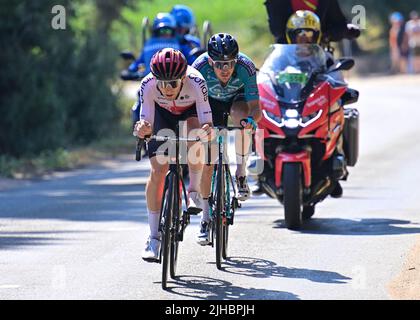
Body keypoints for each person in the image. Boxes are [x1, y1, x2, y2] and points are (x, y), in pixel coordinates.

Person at [133, 48, 213, 262]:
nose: (167, 89)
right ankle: (153, 237)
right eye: (163, 83)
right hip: (162, 114)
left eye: (173, 83)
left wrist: (206, 130)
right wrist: (142, 129)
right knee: (158, 170)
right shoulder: (147, 84)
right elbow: (146, 120)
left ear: (184, 77)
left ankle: (193, 190)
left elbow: (206, 118)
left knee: (196, 132)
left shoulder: (197, 81)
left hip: (191, 112)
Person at [191, 33, 261, 245]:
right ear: (211, 61)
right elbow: (192, 106)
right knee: (209, 163)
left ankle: (241, 173)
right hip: (208, 103)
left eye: (230, 63)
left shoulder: (246, 67)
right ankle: (205, 218)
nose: (225, 69)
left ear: (236, 60)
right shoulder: (199, 67)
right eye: (220, 64)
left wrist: (250, 121)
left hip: (236, 99)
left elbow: (256, 108)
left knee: (242, 119)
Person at [264, 0, 360, 44]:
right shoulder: (276, 2)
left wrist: (341, 31)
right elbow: (276, 30)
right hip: (285, 58)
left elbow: (338, 24)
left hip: (319, 57)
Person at [122, 13, 181, 80]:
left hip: (175, 84)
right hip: (150, 82)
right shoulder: (149, 43)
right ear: (156, 31)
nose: (165, 34)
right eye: (162, 31)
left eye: (168, 31)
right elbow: (139, 61)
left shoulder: (179, 43)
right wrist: (130, 70)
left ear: (173, 32)